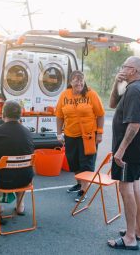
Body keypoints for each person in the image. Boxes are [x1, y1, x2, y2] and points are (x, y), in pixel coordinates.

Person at [107, 56, 140, 250]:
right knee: (134, 187)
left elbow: (135, 124)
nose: (122, 68)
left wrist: (120, 150)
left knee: (126, 190)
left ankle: (130, 238)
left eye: (125, 66)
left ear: (133, 70)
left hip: (129, 151)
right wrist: (118, 82)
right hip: (139, 149)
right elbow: (112, 104)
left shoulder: (135, 90)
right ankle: (138, 231)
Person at [55, 70, 105, 202]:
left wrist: (99, 133)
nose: (79, 82)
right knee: (74, 162)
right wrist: (59, 133)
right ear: (71, 82)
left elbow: (100, 114)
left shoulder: (91, 94)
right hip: (70, 135)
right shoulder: (64, 95)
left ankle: (84, 190)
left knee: (86, 163)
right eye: (76, 80)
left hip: (88, 136)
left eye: (81, 80)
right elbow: (59, 116)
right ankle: (79, 184)